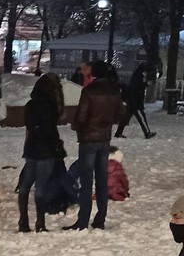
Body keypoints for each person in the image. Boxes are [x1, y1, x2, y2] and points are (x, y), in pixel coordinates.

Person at [67, 61, 122, 231]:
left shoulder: (89, 91)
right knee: (101, 181)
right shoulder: (114, 91)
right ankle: (100, 219)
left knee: (86, 181)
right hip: (104, 139)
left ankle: (83, 220)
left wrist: (75, 125)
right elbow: (121, 114)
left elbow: (82, 117)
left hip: (88, 140)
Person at [18, 73, 66, 233]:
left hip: (31, 149)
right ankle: (40, 222)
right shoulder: (50, 107)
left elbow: (31, 127)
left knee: (25, 186)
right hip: (46, 151)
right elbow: (50, 130)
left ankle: (23, 221)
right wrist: (58, 146)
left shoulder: (30, 105)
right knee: (41, 188)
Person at [116, 60, 155, 139]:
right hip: (135, 99)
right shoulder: (138, 76)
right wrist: (146, 84)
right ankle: (147, 132)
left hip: (131, 98)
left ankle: (119, 132)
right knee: (141, 116)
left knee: (128, 116)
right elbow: (136, 88)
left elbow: (135, 87)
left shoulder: (136, 75)